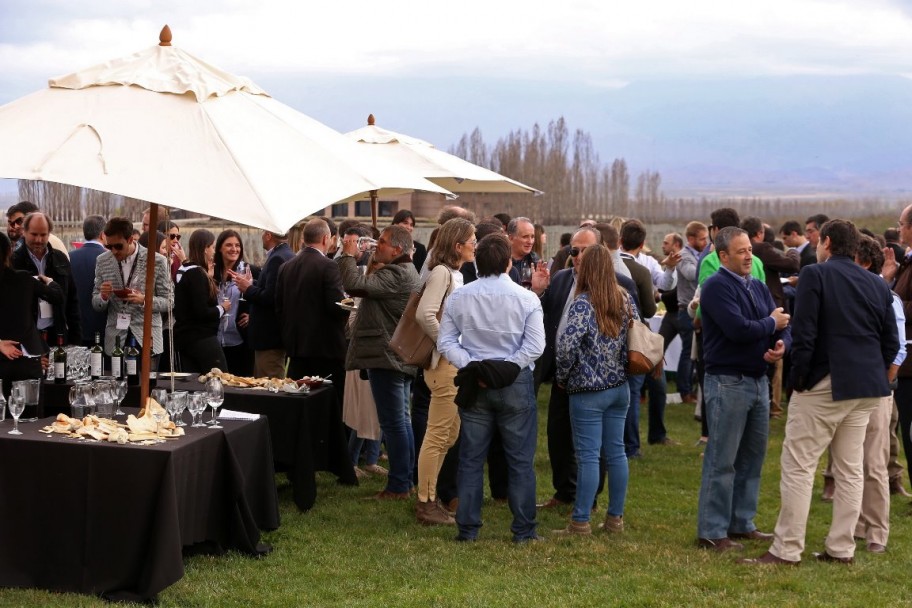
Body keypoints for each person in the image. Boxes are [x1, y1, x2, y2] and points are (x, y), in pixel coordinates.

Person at [741, 219, 898, 566]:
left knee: (799, 465)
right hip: (868, 385)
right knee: (850, 468)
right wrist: (875, 370)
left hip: (827, 380)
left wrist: (799, 378)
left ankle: (786, 549)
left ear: (826, 242)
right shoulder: (877, 284)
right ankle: (841, 547)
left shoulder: (816, 274)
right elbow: (891, 342)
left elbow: (806, 331)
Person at [438, 233, 545, 543]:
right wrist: (507, 367)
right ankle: (524, 530)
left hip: (481, 379)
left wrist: (474, 365)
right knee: (520, 460)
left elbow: (445, 341)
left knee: (471, 459)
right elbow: (536, 345)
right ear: (509, 262)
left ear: (477, 260)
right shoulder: (526, 298)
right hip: (512, 380)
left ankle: (468, 529)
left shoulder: (460, 297)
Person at [696, 227, 791, 553]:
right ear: (723, 256)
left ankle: (741, 522)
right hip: (728, 382)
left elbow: (782, 325)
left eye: (749, 249)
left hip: (757, 381)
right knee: (722, 460)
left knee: (752, 458)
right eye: (741, 251)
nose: (749, 255)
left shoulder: (758, 286)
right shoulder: (715, 288)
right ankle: (711, 530)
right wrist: (771, 326)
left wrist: (780, 345)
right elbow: (738, 329)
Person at [538, 227, 641, 510]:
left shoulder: (585, 302)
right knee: (612, 450)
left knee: (589, 454)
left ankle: (583, 514)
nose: (578, 257)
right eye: (574, 251)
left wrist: (563, 373)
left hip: (583, 384)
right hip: (616, 385)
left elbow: (569, 345)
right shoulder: (622, 296)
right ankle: (614, 516)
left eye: (584, 251)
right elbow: (633, 332)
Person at [338, 224, 420, 500]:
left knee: (394, 423)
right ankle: (405, 480)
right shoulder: (403, 269)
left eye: (382, 242)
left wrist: (348, 256)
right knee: (401, 421)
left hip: (387, 357)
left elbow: (355, 285)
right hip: (397, 355)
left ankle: (398, 485)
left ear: (397, 249)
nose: (376, 245)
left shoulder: (397, 273)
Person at [414, 218, 476, 526]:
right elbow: (424, 314)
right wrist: (450, 346)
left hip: (451, 363)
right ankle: (426, 503)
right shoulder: (442, 273)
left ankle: (430, 496)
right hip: (444, 365)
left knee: (449, 433)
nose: (475, 245)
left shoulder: (454, 274)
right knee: (438, 435)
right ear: (457, 245)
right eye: (471, 241)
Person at [276, 219, 349, 398]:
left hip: (296, 349)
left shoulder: (286, 267)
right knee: (329, 406)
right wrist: (349, 303)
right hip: (326, 352)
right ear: (326, 239)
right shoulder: (328, 265)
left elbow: (279, 308)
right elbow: (335, 307)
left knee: (300, 405)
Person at [91, 217, 172, 368]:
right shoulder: (102, 260)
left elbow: (169, 302)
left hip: (147, 338)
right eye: (109, 247)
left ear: (130, 239)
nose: (113, 251)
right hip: (115, 338)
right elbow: (96, 303)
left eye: (118, 246)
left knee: (146, 389)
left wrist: (144, 300)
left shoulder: (156, 261)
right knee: (115, 387)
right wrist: (103, 296)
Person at [0, 232, 62, 397]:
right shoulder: (24, 279)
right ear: (9, 252)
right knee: (31, 418)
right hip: (27, 361)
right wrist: (50, 282)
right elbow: (56, 296)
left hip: (15, 361)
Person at [230, 229, 294, 378]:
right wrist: (253, 283)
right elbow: (273, 288)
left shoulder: (277, 258)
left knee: (269, 383)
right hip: (277, 335)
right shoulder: (287, 254)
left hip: (269, 338)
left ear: (268, 235)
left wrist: (248, 289)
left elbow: (270, 298)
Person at [13, 212, 81, 345]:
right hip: (26, 338)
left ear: (49, 234)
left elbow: (72, 301)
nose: (38, 239)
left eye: (43, 235)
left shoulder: (60, 258)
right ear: (24, 232)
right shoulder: (14, 262)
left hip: (57, 335)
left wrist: (75, 340)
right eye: (34, 234)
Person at [173, 229, 229, 373]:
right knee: (220, 380)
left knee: (194, 384)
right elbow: (201, 311)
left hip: (185, 338)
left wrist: (208, 277)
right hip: (201, 337)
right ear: (205, 248)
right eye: (213, 247)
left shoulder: (184, 269)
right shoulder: (196, 274)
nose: (214, 252)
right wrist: (222, 308)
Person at [213, 229, 255, 376]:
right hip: (215, 341)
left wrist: (253, 316)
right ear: (219, 248)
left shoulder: (250, 271)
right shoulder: (211, 272)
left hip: (240, 341)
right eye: (229, 245)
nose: (234, 249)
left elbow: (264, 298)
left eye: (237, 245)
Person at [674, 221, 707, 404]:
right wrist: (709, 264)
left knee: (693, 353)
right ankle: (684, 391)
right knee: (688, 353)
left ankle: (690, 389)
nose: (705, 242)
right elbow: (692, 274)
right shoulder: (683, 256)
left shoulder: (700, 254)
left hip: (694, 310)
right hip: (687, 310)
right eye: (702, 239)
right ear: (691, 238)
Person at [69, 215, 108, 347]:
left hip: (75, 326)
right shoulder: (109, 258)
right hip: (102, 327)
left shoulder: (69, 257)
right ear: (103, 234)